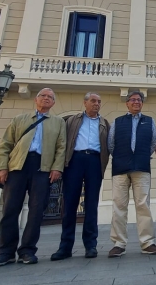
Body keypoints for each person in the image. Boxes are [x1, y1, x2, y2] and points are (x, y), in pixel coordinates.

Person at [0, 88, 67, 267]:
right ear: (36, 99)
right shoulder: (19, 119)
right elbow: (5, 145)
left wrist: (57, 168)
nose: (46, 99)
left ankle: (27, 250)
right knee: (10, 209)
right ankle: (5, 252)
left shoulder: (58, 122)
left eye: (50, 97)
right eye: (43, 96)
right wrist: (1, 168)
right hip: (17, 167)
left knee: (36, 211)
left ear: (53, 103)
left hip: (42, 168)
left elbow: (61, 147)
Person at [51, 93, 110, 261]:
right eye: (93, 101)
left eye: (99, 101)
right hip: (75, 160)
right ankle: (65, 247)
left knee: (91, 205)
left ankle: (91, 245)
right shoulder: (73, 120)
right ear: (85, 103)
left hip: (95, 161)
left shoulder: (104, 123)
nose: (96, 104)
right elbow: (63, 141)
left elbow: (109, 145)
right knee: (70, 204)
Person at [107, 91, 156, 257]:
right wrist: (123, 157)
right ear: (127, 103)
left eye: (139, 100)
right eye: (133, 100)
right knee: (119, 206)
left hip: (141, 168)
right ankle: (118, 244)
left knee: (143, 205)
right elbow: (111, 144)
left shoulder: (150, 122)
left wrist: (140, 156)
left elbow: (153, 143)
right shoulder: (117, 122)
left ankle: (147, 242)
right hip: (120, 169)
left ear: (142, 103)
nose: (136, 102)